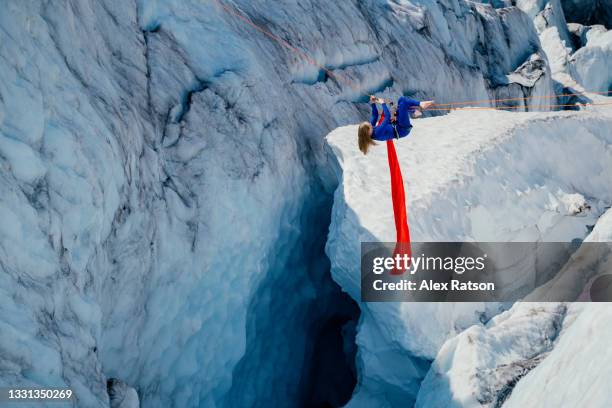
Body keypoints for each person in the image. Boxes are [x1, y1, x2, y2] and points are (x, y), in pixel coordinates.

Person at [358, 95, 434, 154]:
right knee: (403, 103)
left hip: (397, 124)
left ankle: (414, 112)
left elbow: (374, 116)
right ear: (368, 132)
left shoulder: (371, 131)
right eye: (370, 126)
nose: (371, 125)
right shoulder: (377, 132)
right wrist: (383, 104)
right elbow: (387, 117)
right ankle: (420, 104)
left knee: (401, 100)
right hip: (402, 129)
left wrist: (373, 103)